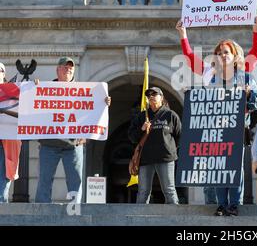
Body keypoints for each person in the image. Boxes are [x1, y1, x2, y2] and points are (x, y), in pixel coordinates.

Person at [176, 19, 257, 212]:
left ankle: (234, 204)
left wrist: (256, 30)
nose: (222, 55)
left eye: (226, 52)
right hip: (214, 128)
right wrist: (183, 35)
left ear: (234, 56)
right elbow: (190, 58)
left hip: (236, 128)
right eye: (219, 52)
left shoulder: (245, 76)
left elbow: (255, 102)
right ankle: (221, 204)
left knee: (234, 168)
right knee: (217, 168)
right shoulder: (210, 74)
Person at [35, 57, 111, 203]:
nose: (68, 69)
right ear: (57, 70)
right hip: (49, 144)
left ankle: (74, 212)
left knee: (75, 182)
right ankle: (42, 213)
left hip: (73, 145)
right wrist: (33, 90)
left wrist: (104, 102)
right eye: (65, 67)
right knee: (44, 181)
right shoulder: (45, 88)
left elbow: (93, 111)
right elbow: (32, 104)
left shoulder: (85, 91)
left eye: (71, 68)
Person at [128, 87, 181, 204]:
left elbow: (179, 136)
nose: (151, 96)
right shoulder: (142, 116)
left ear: (161, 98)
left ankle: (175, 220)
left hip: (166, 158)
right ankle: (139, 221)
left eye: (154, 94)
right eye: (148, 95)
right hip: (146, 159)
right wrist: (141, 129)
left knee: (169, 190)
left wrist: (170, 149)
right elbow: (131, 137)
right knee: (143, 191)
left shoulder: (171, 115)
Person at [0, 62, 21, 203]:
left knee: (2, 184)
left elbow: (33, 103)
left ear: (3, 73)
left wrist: (36, 88)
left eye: (0, 70)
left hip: (6, 143)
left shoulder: (14, 90)